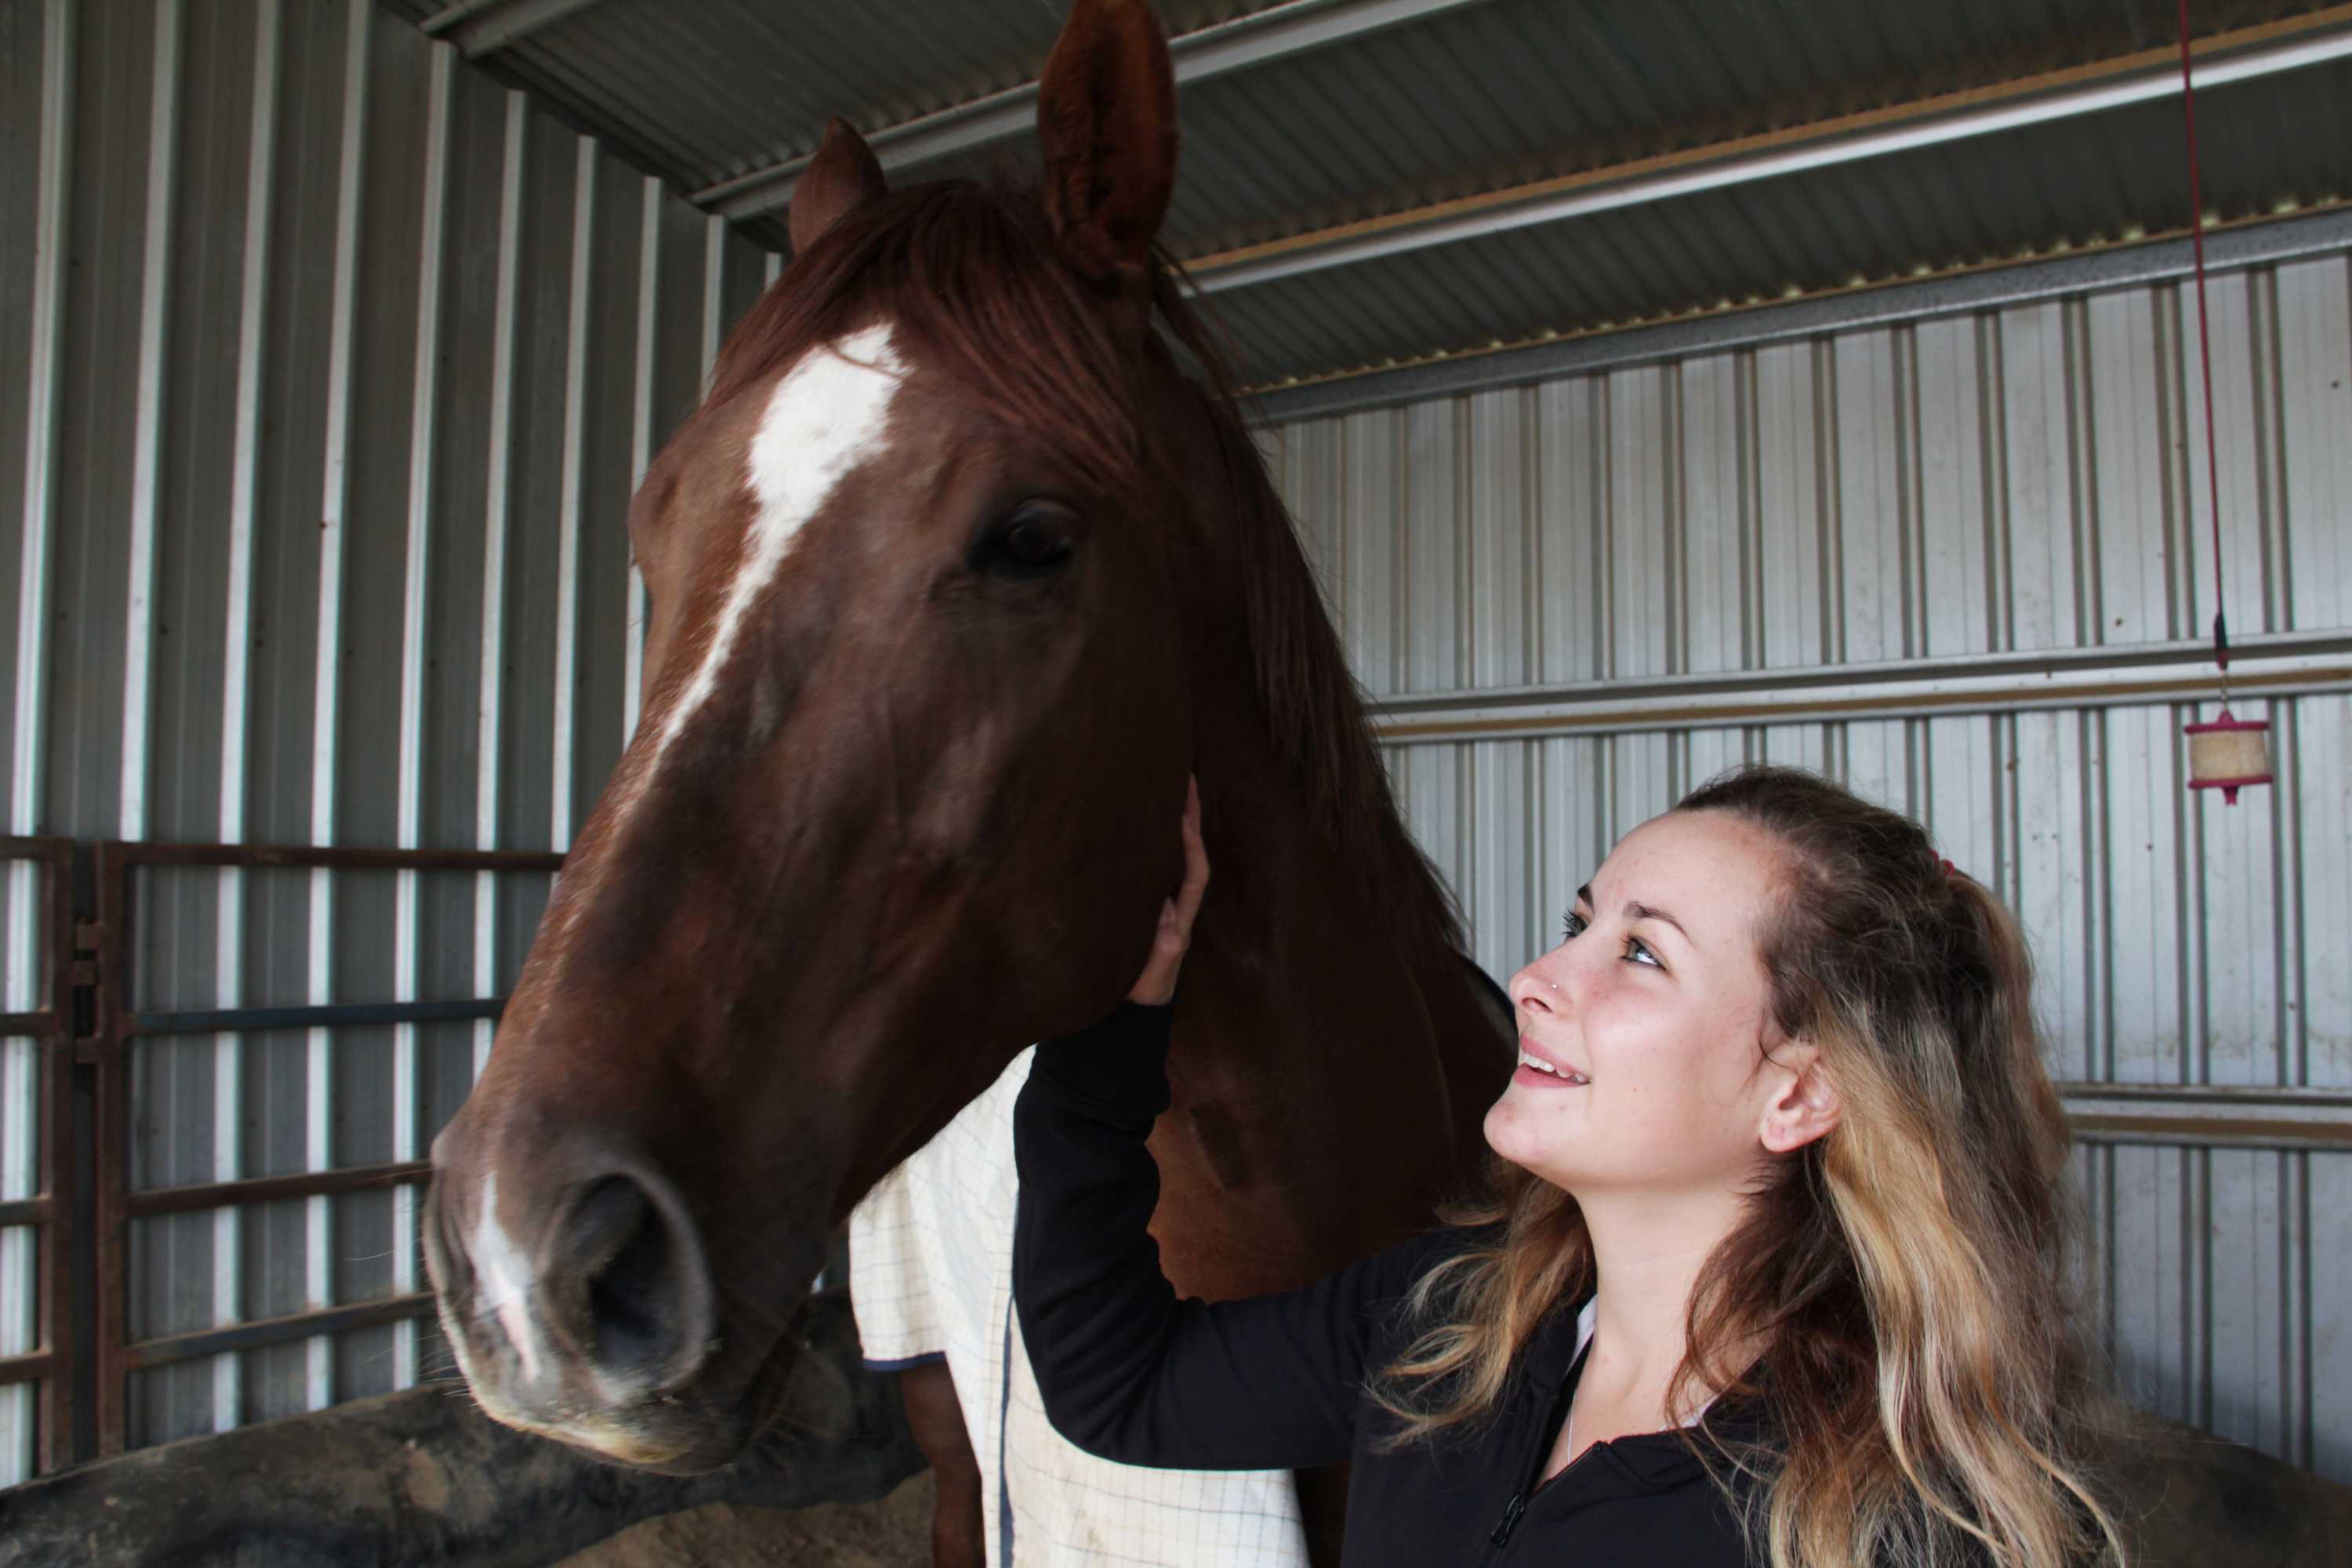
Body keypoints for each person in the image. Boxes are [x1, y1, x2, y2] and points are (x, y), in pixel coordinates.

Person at [1011, 764, 2126, 1567]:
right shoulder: (1446, 1325)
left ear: (1800, 1094)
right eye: (1578, 922)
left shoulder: (1891, 1521)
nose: (1536, 978)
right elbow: (1118, 1384)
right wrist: (1113, 1028)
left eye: (1640, 953)